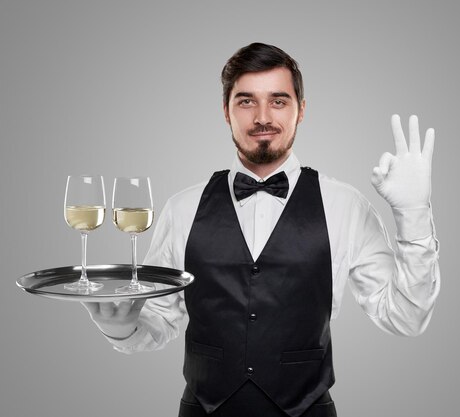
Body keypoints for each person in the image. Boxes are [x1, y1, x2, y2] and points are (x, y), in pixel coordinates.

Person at [83, 42, 440, 417]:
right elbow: (159, 320)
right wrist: (122, 329)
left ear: (302, 110)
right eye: (247, 101)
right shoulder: (182, 207)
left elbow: (406, 318)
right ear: (226, 111)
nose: (263, 116)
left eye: (279, 101)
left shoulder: (346, 205)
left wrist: (414, 214)